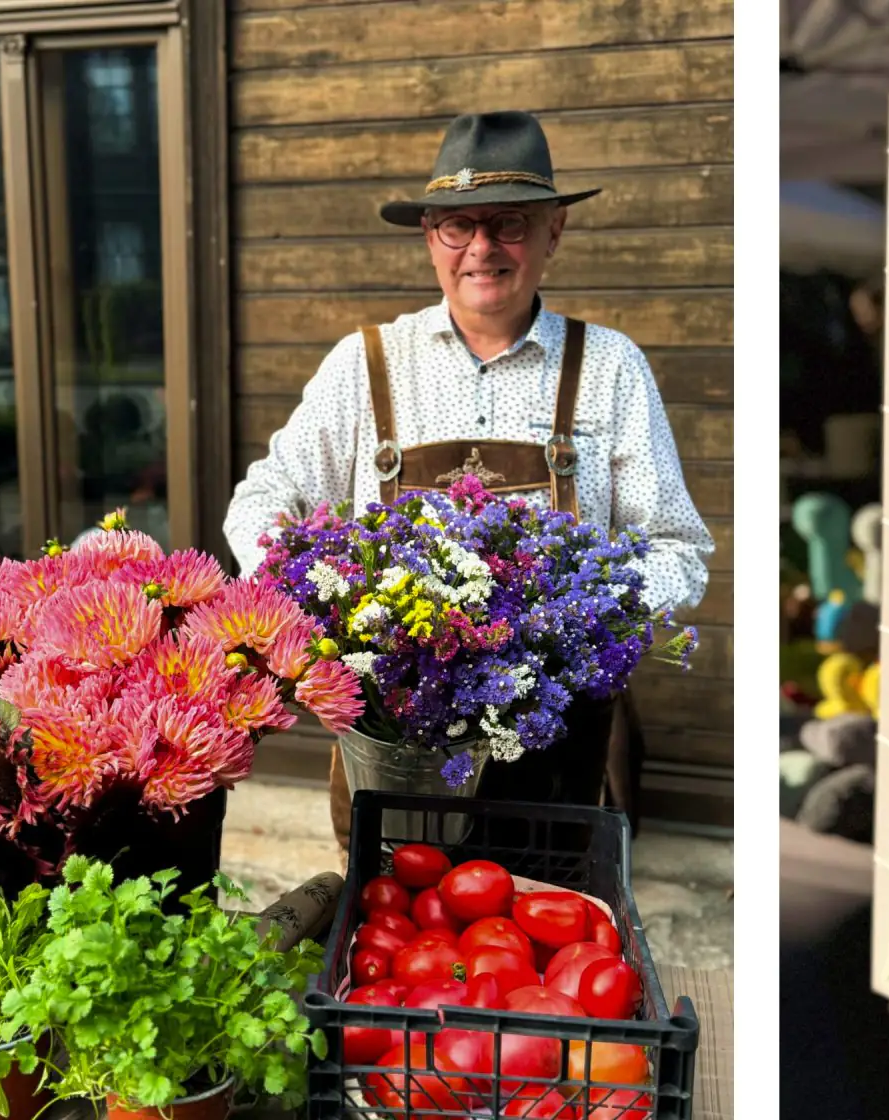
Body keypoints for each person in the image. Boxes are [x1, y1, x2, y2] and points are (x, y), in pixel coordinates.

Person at [220, 110, 716, 845]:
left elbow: (678, 548)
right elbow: (261, 501)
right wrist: (331, 621)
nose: (481, 248)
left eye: (508, 222)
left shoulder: (609, 368)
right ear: (430, 236)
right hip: (394, 757)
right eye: (457, 225)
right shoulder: (367, 366)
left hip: (559, 759)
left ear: (553, 232)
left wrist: (571, 622)